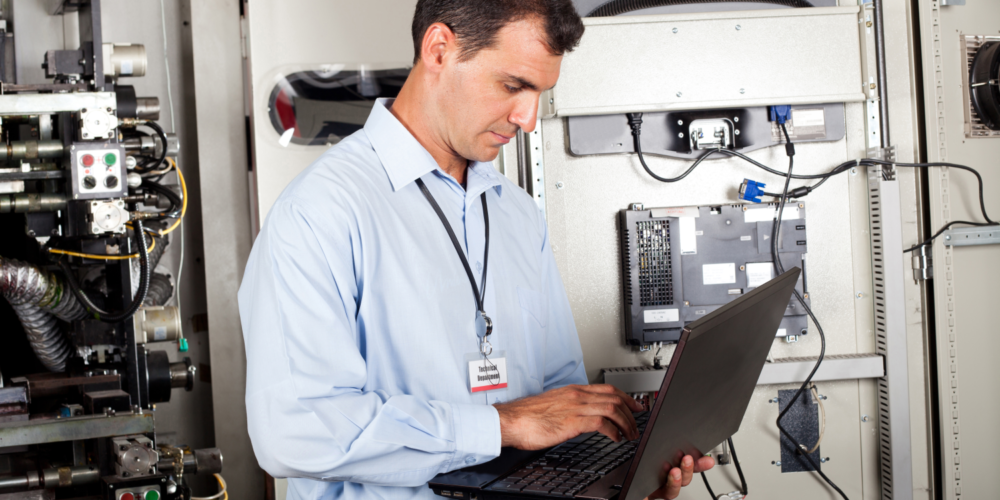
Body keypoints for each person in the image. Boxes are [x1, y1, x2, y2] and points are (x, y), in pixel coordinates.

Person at [238, 1, 713, 498]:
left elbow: (560, 400)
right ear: (440, 49)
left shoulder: (517, 215)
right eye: (513, 86)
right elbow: (294, 432)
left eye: (540, 94)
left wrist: (620, 481)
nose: (527, 119)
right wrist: (498, 425)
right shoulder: (320, 213)